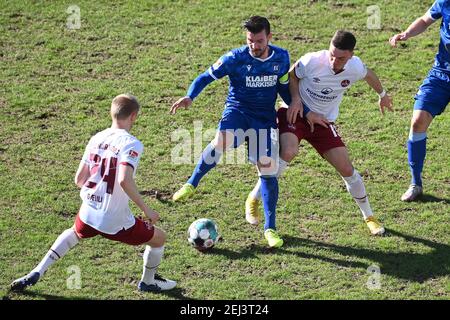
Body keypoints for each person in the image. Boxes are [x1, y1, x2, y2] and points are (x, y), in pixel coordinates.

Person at [10, 94, 176, 293]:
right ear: (133, 116)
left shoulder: (97, 137)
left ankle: (37, 270)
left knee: (74, 233)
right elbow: (124, 179)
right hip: (114, 220)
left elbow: (79, 179)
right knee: (159, 239)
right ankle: (148, 282)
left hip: (88, 210)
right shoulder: (132, 143)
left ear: (111, 113)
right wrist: (147, 210)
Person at [170, 16, 303, 248]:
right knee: (222, 141)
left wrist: (295, 103)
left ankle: (270, 229)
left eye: (259, 40)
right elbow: (205, 77)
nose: (254, 45)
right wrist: (190, 96)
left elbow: (282, 84)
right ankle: (191, 184)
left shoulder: (281, 57)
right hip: (238, 111)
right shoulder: (235, 58)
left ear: (269, 37)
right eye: (250, 40)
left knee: (268, 170)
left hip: (264, 118)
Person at [246, 31, 393, 236]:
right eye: (332, 54)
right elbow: (292, 76)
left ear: (351, 54)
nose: (334, 61)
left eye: (340, 58)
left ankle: (369, 216)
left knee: (346, 168)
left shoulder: (355, 67)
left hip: (323, 121)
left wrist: (383, 95)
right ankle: (254, 198)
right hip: (296, 114)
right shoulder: (312, 60)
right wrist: (296, 100)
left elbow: (369, 75)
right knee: (288, 151)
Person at [390, 0, 450, 202]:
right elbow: (425, 20)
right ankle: (415, 184)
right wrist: (407, 33)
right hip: (441, 73)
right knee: (418, 121)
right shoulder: (445, 2)